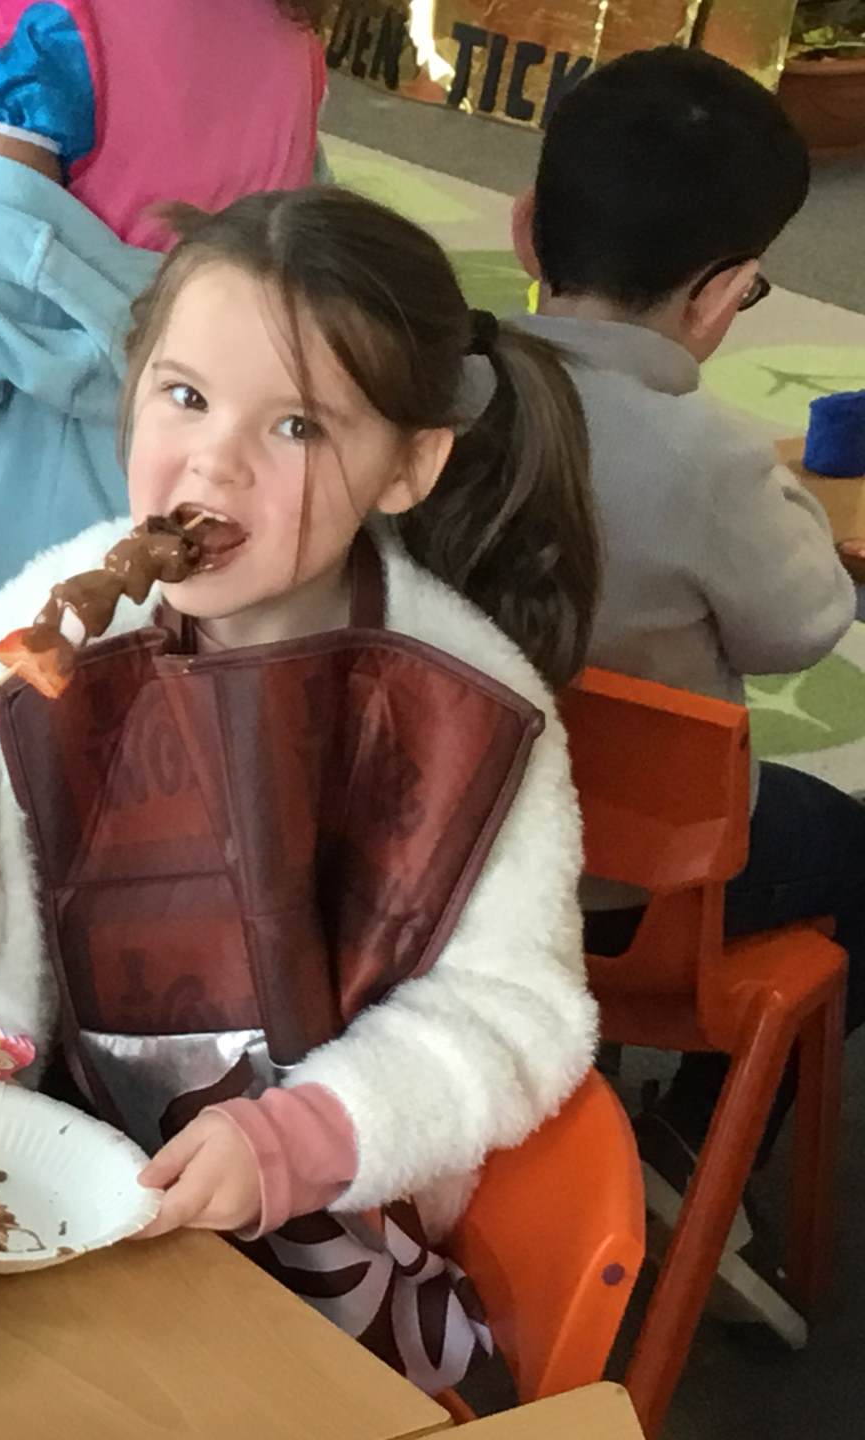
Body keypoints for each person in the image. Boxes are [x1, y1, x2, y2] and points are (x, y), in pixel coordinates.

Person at [0, 187, 601, 1389]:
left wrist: (299, 1138)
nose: (214, 460)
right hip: (50, 1168)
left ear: (410, 464)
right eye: (184, 396)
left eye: (297, 426)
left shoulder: (476, 705)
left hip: (330, 1236)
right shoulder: (60, 618)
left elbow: (520, 1013)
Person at [510, 45, 862, 1329]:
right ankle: (697, 1137)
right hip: (626, 903)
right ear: (720, 296)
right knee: (851, 856)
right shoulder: (707, 457)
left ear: (523, 227)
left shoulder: (429, 387)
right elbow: (803, 626)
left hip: (424, 859)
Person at [0, 0, 325, 681]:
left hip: (29, 503)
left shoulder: (43, 23)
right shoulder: (294, 33)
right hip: (200, 468)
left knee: (4, 717)